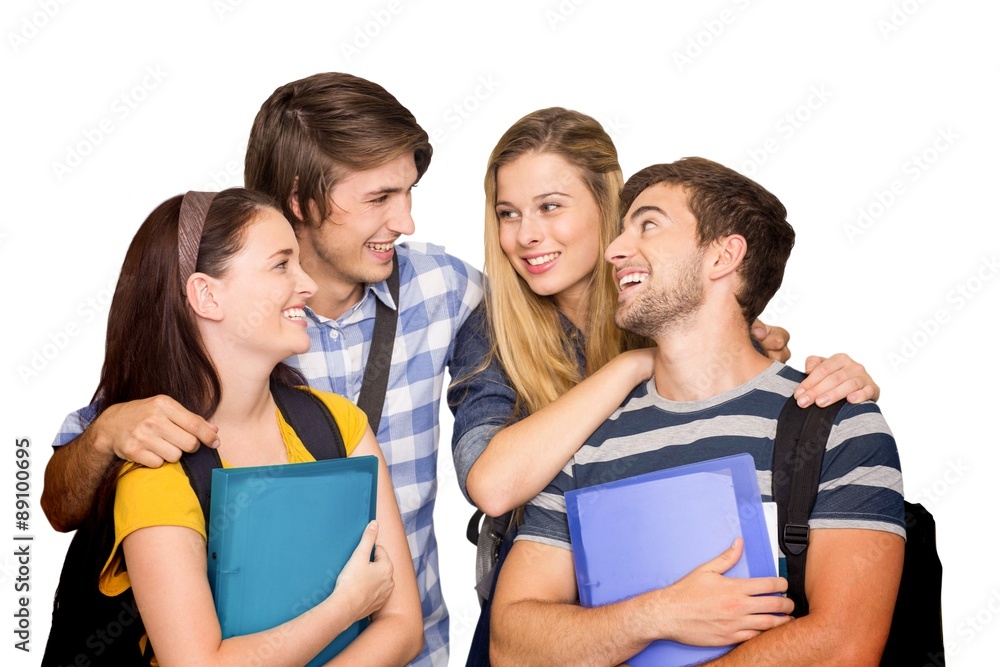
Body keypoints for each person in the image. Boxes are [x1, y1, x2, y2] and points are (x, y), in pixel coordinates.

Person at [42, 73, 482, 666]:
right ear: (302, 201)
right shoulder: (158, 440)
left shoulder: (443, 289)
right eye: (379, 198)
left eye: (408, 192)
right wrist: (104, 435)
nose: (406, 222)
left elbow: (535, 351)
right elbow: (57, 504)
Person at [489, 157, 905, 666]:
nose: (615, 251)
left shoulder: (836, 424)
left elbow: (842, 646)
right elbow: (512, 646)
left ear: (723, 255)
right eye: (621, 232)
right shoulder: (586, 438)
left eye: (649, 225)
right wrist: (658, 614)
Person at [448, 107, 878, 536]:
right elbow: (492, 486)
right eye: (509, 213)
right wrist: (634, 364)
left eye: (550, 206)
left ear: (607, 207)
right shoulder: (491, 330)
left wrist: (835, 387)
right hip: (543, 578)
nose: (526, 235)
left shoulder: (670, 302)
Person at [57, 189, 423, 665]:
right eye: (281, 265)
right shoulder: (155, 468)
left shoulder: (340, 424)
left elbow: (403, 627)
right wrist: (345, 607)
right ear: (207, 295)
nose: (307, 284)